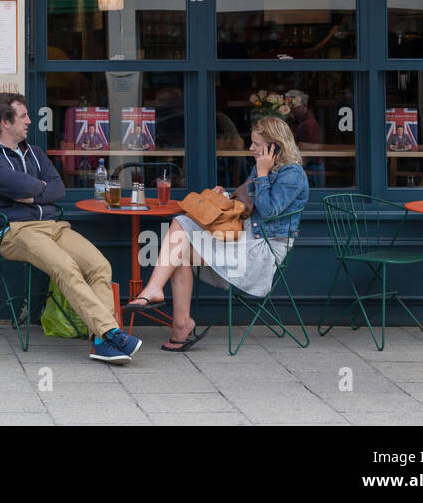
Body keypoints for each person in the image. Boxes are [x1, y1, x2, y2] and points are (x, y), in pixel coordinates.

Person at [0, 92, 142, 364]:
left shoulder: (35, 153)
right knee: (66, 267)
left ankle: (100, 340)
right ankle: (110, 332)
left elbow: (57, 188)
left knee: (99, 265)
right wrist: (36, 189)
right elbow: (28, 187)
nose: (30, 121)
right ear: (5, 122)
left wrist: (34, 193)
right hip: (16, 231)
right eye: (23, 116)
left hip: (53, 226)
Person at [125, 116, 310, 352]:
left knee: (179, 247)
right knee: (181, 227)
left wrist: (262, 175)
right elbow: (249, 204)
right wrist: (227, 196)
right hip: (245, 238)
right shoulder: (261, 167)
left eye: (256, 144)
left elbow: (269, 209)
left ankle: (163, 303)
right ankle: (175, 317)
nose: (250, 148)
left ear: (274, 146)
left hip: (265, 249)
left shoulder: (292, 174)